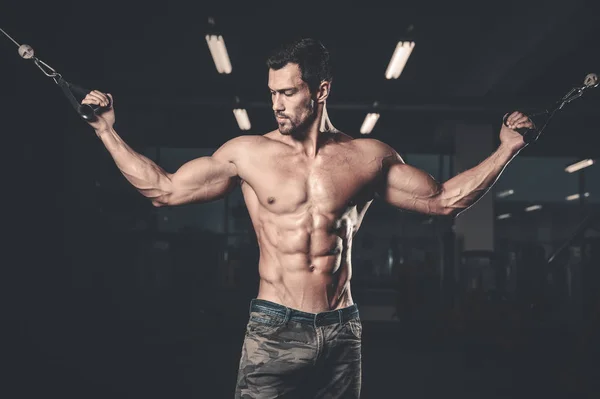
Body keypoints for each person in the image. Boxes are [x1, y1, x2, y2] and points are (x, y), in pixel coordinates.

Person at [81, 38, 533, 398]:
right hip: (274, 325)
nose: (277, 103)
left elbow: (445, 200)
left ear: (320, 90)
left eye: (288, 92)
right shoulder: (248, 154)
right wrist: (107, 130)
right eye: (272, 92)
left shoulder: (366, 158)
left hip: (342, 330)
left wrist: (507, 149)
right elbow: (164, 189)